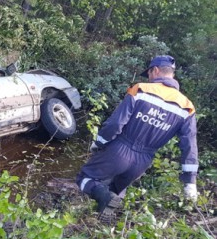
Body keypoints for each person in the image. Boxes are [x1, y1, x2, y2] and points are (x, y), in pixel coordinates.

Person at [76, 55, 198, 221]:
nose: (148, 77)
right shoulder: (187, 107)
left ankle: (103, 203)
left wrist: (99, 142)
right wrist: (190, 182)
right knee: (115, 190)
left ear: (155, 70)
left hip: (119, 150)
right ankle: (102, 226)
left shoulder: (141, 89)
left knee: (86, 178)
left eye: (148, 73)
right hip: (143, 161)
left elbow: (116, 123)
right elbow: (189, 145)